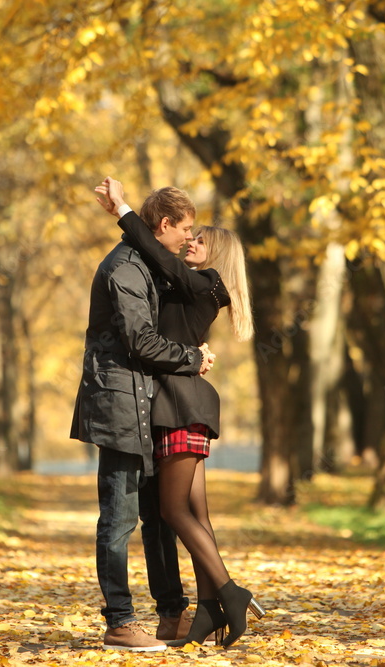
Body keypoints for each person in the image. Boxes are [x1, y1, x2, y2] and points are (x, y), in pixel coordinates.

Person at [96, 177, 266, 648]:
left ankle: (229, 592)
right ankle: (212, 607)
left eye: (200, 239)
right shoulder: (191, 284)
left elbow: (160, 256)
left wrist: (124, 211)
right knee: (196, 513)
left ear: (217, 257)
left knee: (171, 510)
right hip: (181, 398)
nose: (191, 242)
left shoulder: (208, 284)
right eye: (188, 234)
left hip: (179, 402)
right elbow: (161, 262)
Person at [70, 185, 217, 652]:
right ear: (165, 226)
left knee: (156, 517)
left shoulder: (146, 265)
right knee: (119, 516)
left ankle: (172, 614)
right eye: (185, 229)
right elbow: (141, 341)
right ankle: (119, 620)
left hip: (145, 403)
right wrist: (191, 358)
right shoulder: (124, 270)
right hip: (117, 404)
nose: (187, 238)